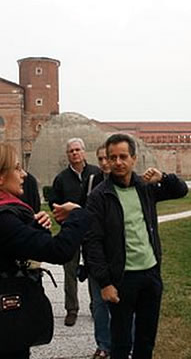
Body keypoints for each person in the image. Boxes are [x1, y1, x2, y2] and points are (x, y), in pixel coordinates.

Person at [0, 142, 90, 359]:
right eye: (17, 168)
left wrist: (32, 228)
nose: (23, 174)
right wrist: (78, 215)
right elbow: (59, 251)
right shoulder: (3, 219)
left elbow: (7, 248)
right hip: (2, 325)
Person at [84, 133, 188, 359]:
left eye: (123, 156)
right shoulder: (99, 196)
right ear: (108, 161)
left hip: (150, 274)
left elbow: (181, 190)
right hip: (122, 278)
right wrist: (105, 283)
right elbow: (92, 243)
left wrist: (163, 177)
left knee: (146, 340)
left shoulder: (145, 187)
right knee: (120, 342)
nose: (118, 162)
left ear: (133, 159)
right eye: (113, 157)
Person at [48, 137, 100, 326]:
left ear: (84, 152)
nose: (75, 153)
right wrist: (62, 220)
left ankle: (97, 306)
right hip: (70, 232)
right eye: (71, 151)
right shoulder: (61, 178)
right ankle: (72, 309)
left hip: (92, 231)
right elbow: (55, 204)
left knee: (95, 268)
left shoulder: (96, 174)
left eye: (78, 150)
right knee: (69, 270)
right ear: (67, 155)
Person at [83, 144, 112, 359]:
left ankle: (126, 345)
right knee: (99, 303)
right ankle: (103, 345)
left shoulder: (131, 183)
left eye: (107, 158)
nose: (104, 163)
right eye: (100, 159)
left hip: (121, 255)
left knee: (126, 304)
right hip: (96, 253)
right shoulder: (92, 182)